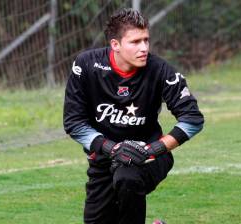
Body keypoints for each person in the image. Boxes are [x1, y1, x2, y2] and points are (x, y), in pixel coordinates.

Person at [63, 8, 204, 224]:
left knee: (127, 177)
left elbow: (192, 120)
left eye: (146, 40)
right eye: (135, 42)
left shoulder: (161, 71)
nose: (144, 48)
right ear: (115, 45)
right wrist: (112, 149)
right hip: (104, 159)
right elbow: (74, 123)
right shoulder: (86, 65)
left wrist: (152, 149)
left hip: (150, 158)